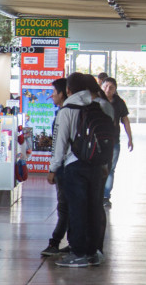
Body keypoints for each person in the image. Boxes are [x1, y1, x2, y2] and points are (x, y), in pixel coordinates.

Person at [48, 73, 114, 268]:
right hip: (96, 165)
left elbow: (59, 144)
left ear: (69, 90)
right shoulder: (101, 106)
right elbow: (108, 138)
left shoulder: (67, 110)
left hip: (74, 165)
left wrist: (53, 168)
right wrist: (104, 164)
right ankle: (93, 252)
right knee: (93, 209)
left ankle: (78, 252)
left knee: (76, 210)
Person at [41, 78, 70, 256]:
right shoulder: (68, 112)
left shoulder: (64, 113)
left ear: (62, 93)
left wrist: (53, 169)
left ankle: (55, 242)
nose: (51, 95)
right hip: (69, 166)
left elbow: (61, 146)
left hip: (64, 168)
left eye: (54, 92)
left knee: (64, 207)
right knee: (66, 207)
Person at [101, 77, 133, 208]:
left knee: (110, 169)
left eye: (111, 87)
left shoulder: (119, 102)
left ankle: (105, 196)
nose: (108, 89)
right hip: (98, 140)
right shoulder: (96, 101)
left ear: (115, 90)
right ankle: (96, 194)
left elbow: (125, 120)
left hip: (113, 140)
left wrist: (130, 138)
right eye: (106, 86)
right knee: (98, 168)